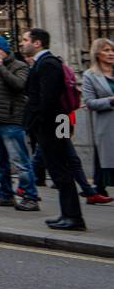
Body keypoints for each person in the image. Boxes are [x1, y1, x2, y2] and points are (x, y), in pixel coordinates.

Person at [21, 28, 85, 230]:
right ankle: (68, 214)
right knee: (61, 168)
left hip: (52, 124)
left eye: (25, 40)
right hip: (59, 121)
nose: (22, 43)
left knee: (60, 170)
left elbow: (46, 100)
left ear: (37, 43)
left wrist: (37, 124)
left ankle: (73, 217)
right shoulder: (45, 62)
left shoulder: (47, 64)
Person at [0, 35, 38, 210]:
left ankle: (30, 196)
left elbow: (19, 85)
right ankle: (5, 194)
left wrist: (1, 67)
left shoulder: (19, 66)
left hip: (11, 120)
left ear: (5, 51)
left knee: (19, 160)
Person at [81, 37, 114, 200]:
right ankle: (99, 188)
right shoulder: (90, 75)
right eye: (106, 50)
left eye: (112, 50)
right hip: (106, 125)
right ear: (97, 53)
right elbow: (88, 102)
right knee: (106, 159)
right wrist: (110, 100)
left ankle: (98, 189)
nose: (111, 53)